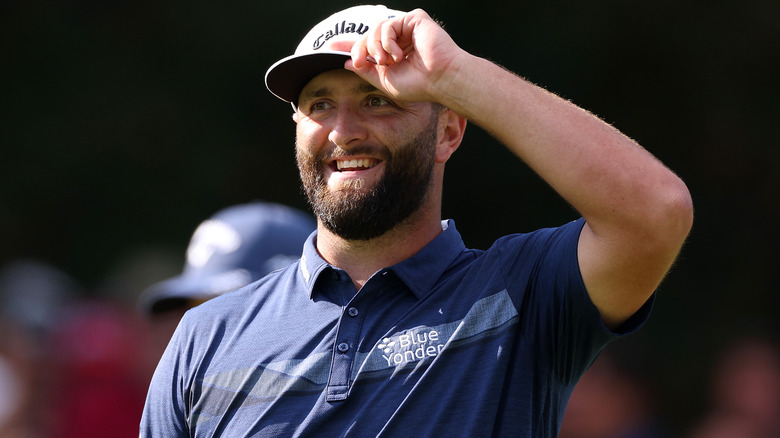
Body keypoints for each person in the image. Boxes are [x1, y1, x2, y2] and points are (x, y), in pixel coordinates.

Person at [140, 5, 693, 437]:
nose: (344, 130)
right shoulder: (205, 336)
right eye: (320, 104)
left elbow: (655, 212)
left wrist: (455, 74)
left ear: (449, 131)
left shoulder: (519, 295)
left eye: (378, 100)